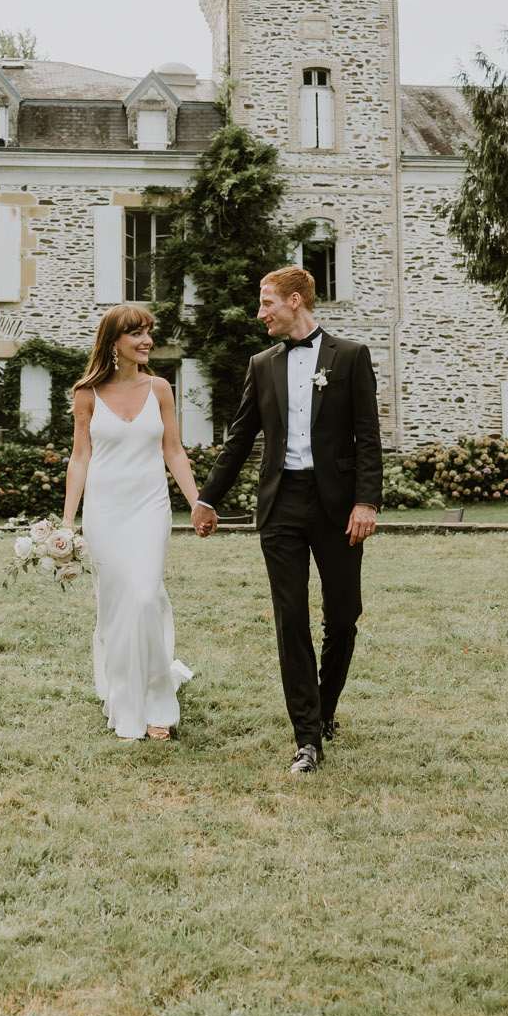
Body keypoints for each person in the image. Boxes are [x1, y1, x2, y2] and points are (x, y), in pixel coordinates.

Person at [193, 267, 381, 775]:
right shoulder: (261, 365)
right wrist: (207, 498)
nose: (261, 314)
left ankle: (325, 708)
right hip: (281, 504)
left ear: (295, 301)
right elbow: (239, 439)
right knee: (290, 616)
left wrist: (367, 502)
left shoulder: (351, 357)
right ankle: (307, 737)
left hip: (338, 505)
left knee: (343, 615)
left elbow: (368, 435)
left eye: (267, 303)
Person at [63, 303, 200, 742]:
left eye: (148, 333)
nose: (147, 341)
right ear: (114, 342)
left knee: (145, 597)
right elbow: (80, 457)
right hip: (104, 512)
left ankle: (159, 701)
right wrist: (68, 523)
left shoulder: (160, 388)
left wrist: (197, 502)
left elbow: (174, 451)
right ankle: (125, 698)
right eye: (137, 334)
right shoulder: (86, 393)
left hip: (148, 508)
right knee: (117, 607)